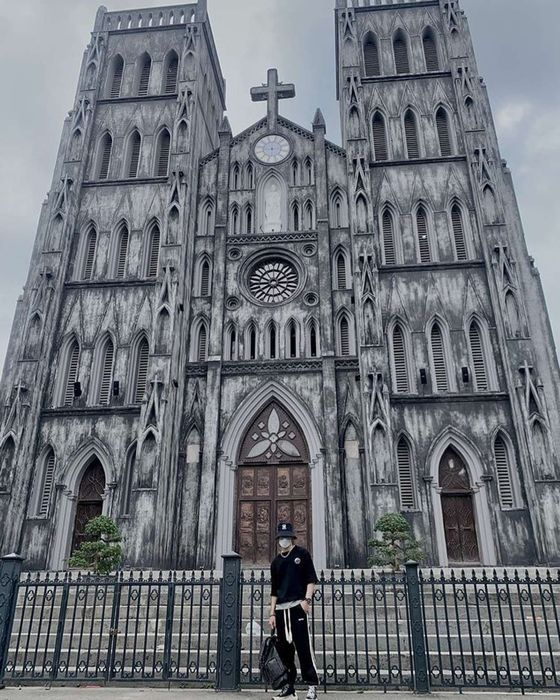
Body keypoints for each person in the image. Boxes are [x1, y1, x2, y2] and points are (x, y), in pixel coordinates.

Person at [269, 522, 319, 700]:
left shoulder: (302, 554)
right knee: (284, 652)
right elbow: (274, 591)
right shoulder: (275, 562)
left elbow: (311, 579)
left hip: (297, 607)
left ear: (291, 538)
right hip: (281, 611)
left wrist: (307, 600)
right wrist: (272, 613)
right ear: (278, 540)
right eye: (281, 537)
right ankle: (289, 688)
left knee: (304, 648)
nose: (284, 540)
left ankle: (312, 686)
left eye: (287, 537)